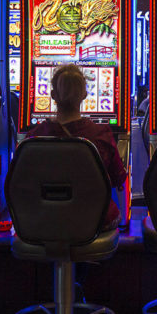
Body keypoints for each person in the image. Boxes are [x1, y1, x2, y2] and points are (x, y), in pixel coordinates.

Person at [26, 64, 127, 230]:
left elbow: (22, 184)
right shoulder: (101, 135)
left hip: (44, 220)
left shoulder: (33, 138)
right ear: (85, 95)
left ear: (52, 95)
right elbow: (118, 179)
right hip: (93, 220)